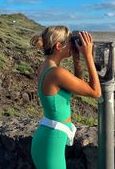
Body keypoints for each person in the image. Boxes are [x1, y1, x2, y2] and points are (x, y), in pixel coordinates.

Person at [30, 26, 101, 169]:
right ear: (58, 46)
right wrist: (88, 55)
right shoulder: (56, 72)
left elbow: (76, 88)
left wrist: (77, 60)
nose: (73, 45)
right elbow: (96, 92)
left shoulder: (46, 67)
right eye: (70, 41)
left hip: (48, 138)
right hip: (52, 141)